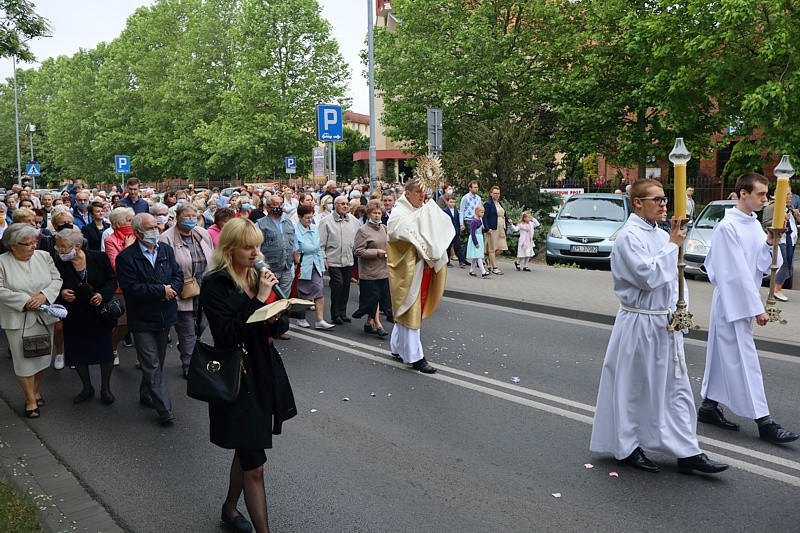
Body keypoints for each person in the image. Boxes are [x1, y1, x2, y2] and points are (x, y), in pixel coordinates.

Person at [589, 179, 729, 475]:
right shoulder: (629, 236)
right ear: (638, 202)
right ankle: (627, 447)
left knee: (676, 390)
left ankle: (687, 451)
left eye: (665, 199)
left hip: (665, 323)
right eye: (658, 200)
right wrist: (672, 246)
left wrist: (681, 313)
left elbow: (677, 278)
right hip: (640, 322)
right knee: (634, 388)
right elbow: (648, 276)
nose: (664, 205)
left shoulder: (661, 234)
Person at [200, 217, 296, 533]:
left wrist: (276, 317)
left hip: (263, 371)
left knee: (247, 448)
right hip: (236, 377)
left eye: (257, 246)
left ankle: (229, 508)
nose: (256, 253)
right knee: (255, 466)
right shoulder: (216, 283)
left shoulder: (259, 275)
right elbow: (227, 334)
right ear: (229, 249)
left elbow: (281, 326)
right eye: (248, 248)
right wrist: (256, 300)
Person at [698, 172, 799, 445]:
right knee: (746, 361)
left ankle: (708, 407)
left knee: (722, 355)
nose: (766, 199)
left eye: (767, 194)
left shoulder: (753, 224)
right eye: (760, 194)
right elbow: (735, 273)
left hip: (743, 299)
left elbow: (761, 267)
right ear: (743, 193)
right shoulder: (727, 227)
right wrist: (756, 308)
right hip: (732, 302)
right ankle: (764, 422)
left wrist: (769, 243)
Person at [116, 213, 183, 426]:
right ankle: (164, 408)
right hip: (142, 318)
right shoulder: (126, 257)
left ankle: (146, 393)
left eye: (157, 226)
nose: (156, 231)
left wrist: (172, 290)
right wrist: (161, 291)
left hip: (165, 316)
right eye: (150, 228)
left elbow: (178, 275)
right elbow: (131, 288)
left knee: (157, 362)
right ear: (137, 232)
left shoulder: (165, 250)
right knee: (151, 364)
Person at [387, 179, 455, 373]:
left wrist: (428, 211)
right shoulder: (399, 211)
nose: (422, 196)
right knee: (410, 309)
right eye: (418, 192)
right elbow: (397, 230)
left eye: (424, 192)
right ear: (407, 193)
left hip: (423, 267)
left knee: (409, 309)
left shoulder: (422, 208)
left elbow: (440, 225)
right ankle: (415, 357)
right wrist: (423, 216)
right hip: (409, 270)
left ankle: (397, 347)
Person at [0, 224, 62, 418]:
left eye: (35, 242)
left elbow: (57, 280)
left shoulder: (44, 256)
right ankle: (30, 400)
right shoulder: (2, 262)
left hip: (44, 317)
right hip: (17, 318)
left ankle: (35, 389)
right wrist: (25, 301)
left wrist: (44, 295)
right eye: (28, 244)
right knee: (24, 363)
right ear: (13, 245)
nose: (34, 246)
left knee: (43, 358)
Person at [54, 228, 117, 404]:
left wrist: (102, 295)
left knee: (104, 351)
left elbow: (112, 279)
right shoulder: (59, 263)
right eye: (57, 247)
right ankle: (87, 388)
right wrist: (61, 293)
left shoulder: (99, 257)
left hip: (99, 314)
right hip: (75, 315)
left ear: (77, 246)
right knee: (77, 352)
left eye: (63, 247)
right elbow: (52, 283)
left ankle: (106, 388)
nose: (59, 251)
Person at [159, 202, 213, 378]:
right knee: (187, 329)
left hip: (204, 288)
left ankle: (185, 346)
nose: (190, 219)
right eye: (186, 216)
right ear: (177, 218)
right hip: (182, 290)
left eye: (193, 216)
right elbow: (165, 267)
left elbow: (212, 255)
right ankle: (189, 365)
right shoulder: (166, 238)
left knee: (202, 324)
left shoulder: (202, 233)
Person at [318, 195, 360, 325]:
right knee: (338, 284)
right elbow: (321, 243)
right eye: (342, 204)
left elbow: (357, 240)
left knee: (346, 287)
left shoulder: (353, 221)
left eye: (347, 204)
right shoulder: (326, 221)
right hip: (333, 259)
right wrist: (323, 258)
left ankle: (342, 312)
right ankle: (334, 313)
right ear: (335, 205)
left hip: (348, 259)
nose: (345, 206)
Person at [353, 200, 392, 337]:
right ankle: (378, 324)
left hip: (383, 270)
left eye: (379, 213)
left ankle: (368, 323)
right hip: (369, 272)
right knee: (373, 298)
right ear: (369, 214)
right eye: (374, 213)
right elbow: (358, 251)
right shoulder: (363, 230)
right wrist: (376, 252)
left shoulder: (384, 228)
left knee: (379, 299)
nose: (377, 215)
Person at [293, 204, 335, 330]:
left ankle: (320, 320)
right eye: (307, 217)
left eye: (311, 217)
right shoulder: (295, 230)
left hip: (314, 264)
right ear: (300, 217)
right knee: (302, 294)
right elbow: (295, 250)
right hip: (302, 265)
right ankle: (301, 317)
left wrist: (321, 267)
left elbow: (318, 249)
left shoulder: (315, 228)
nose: (309, 220)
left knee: (319, 290)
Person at [761, 185, 798, 302]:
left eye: (791, 193)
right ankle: (776, 289)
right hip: (780, 240)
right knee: (784, 265)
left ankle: (777, 288)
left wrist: (796, 216)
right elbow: (766, 223)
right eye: (788, 194)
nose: (791, 196)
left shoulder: (790, 207)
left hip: (790, 240)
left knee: (788, 266)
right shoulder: (772, 207)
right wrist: (783, 218)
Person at [257, 195, 296, 300]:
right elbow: (257, 249)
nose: (279, 207)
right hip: (270, 269)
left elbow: (294, 245)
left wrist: (294, 266)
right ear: (268, 208)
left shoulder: (288, 223)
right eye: (275, 204)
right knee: (268, 299)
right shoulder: (260, 224)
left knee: (284, 299)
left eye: (280, 204)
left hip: (286, 268)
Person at [483, 186, 511, 275]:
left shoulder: (500, 203)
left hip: (501, 228)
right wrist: (487, 228)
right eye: (495, 193)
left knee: (501, 248)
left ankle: (489, 260)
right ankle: (495, 267)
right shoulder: (488, 204)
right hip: (492, 229)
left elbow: (503, 214)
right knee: (492, 248)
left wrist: (508, 219)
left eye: (498, 193)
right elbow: (484, 217)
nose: (496, 195)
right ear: (491, 194)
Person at [443, 196, 468, 268]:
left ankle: (461, 261)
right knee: (448, 247)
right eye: (451, 202)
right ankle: (447, 261)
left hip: (455, 231)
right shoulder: (445, 210)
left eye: (454, 202)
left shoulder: (456, 211)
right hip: (448, 231)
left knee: (458, 246)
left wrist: (460, 226)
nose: (452, 204)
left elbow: (457, 220)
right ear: (447, 202)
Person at [466, 205, 490, 277]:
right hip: (476, 238)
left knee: (476, 256)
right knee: (478, 255)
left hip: (479, 237)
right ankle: (483, 271)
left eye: (483, 212)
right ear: (477, 212)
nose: (483, 214)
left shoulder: (479, 221)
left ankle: (471, 270)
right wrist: (475, 242)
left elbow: (480, 231)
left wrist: (485, 230)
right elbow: (472, 232)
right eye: (481, 212)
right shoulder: (474, 221)